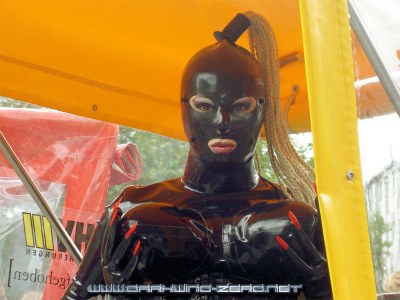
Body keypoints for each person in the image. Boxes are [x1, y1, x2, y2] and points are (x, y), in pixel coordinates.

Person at [63, 12, 331, 299]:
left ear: (261, 110)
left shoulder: (298, 215)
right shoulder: (129, 207)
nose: (222, 121)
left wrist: (323, 289)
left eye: (241, 107)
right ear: (184, 107)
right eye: (204, 105)